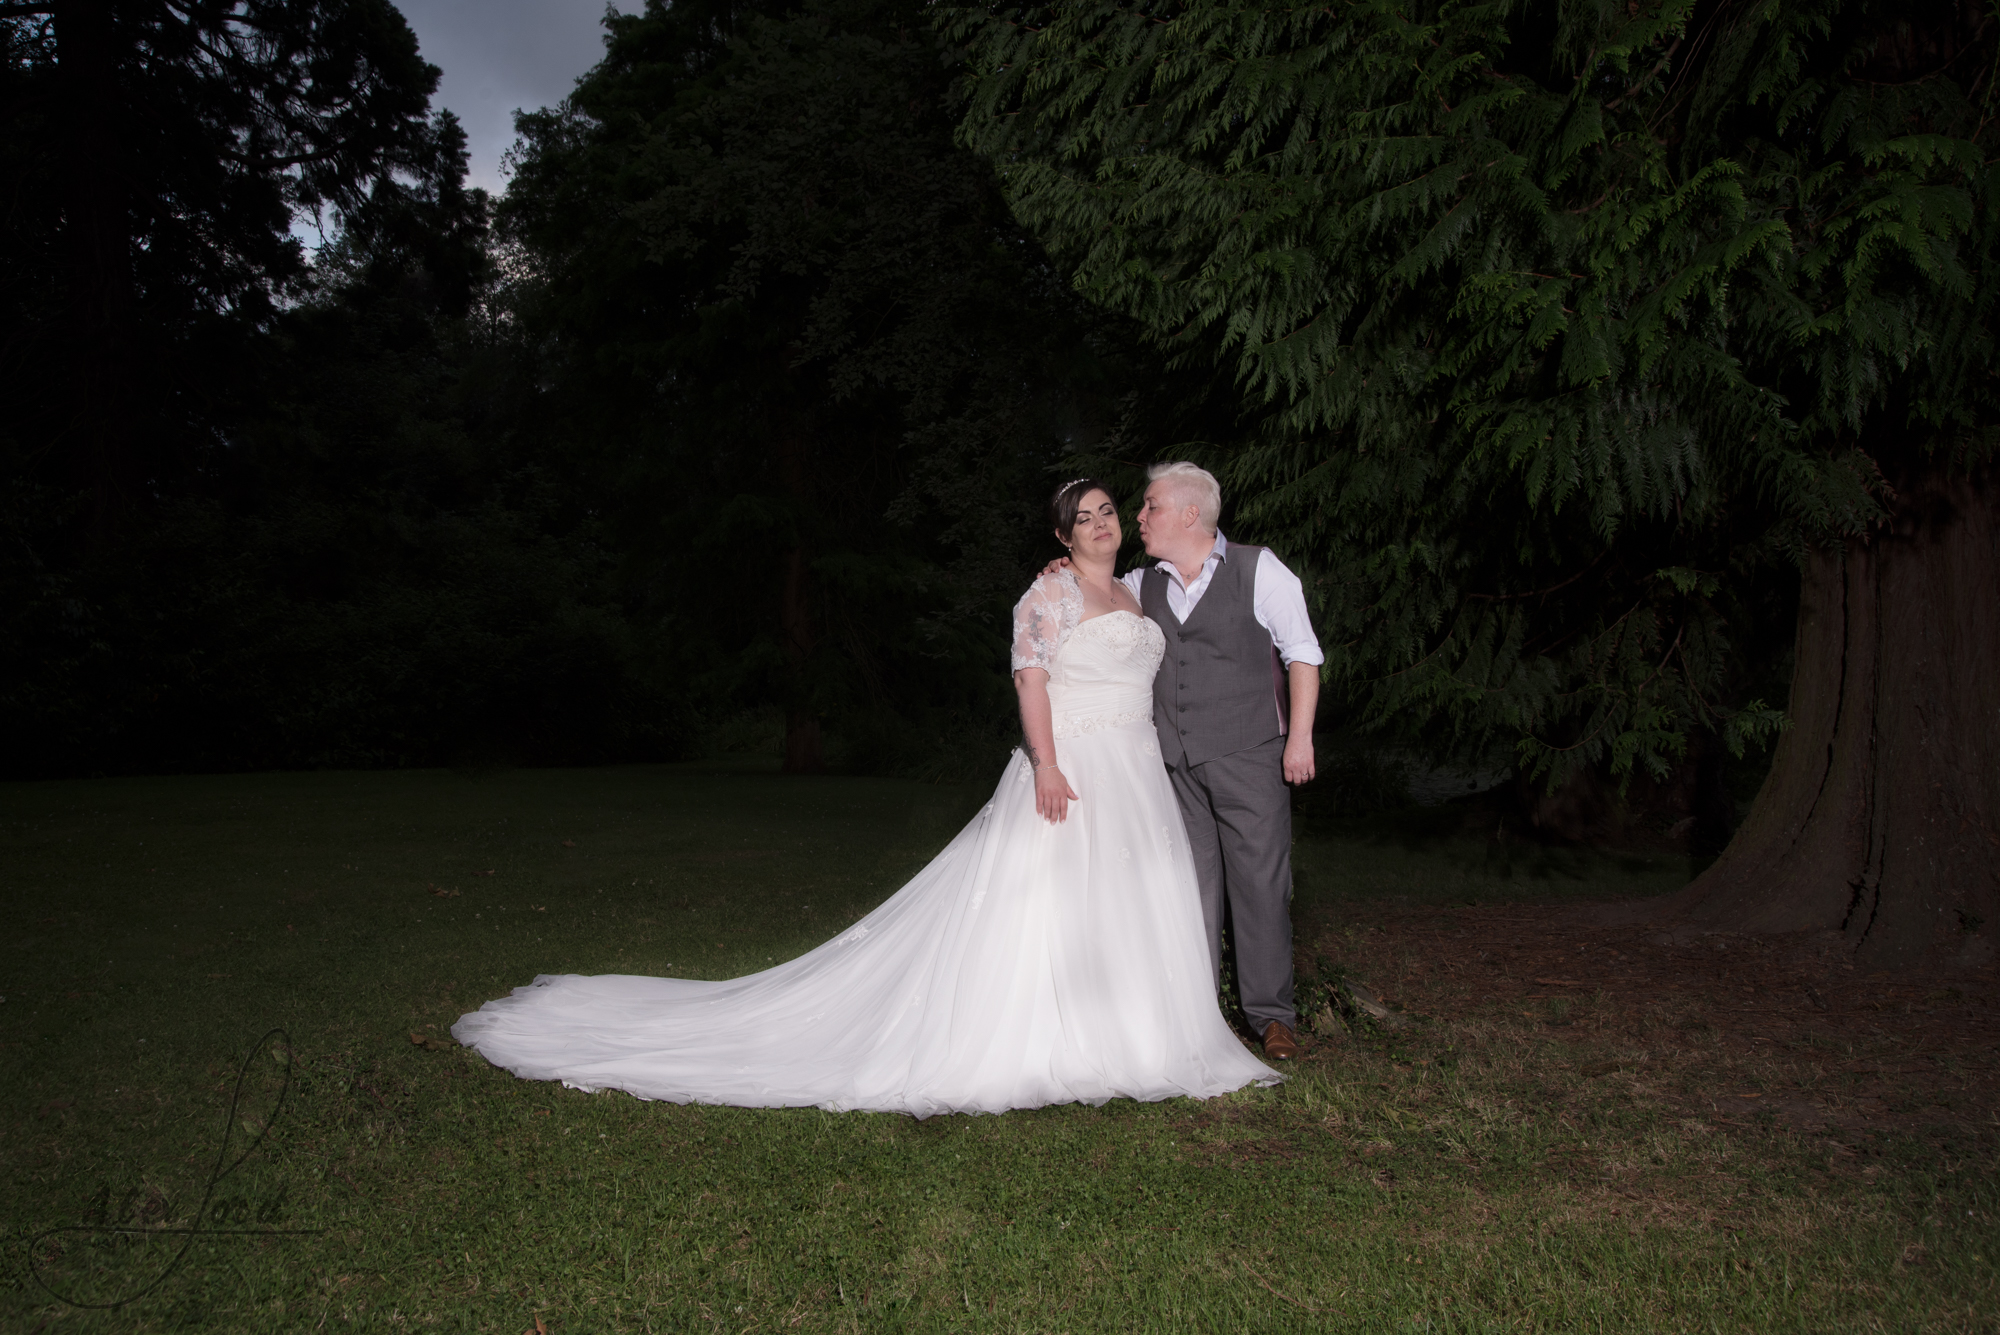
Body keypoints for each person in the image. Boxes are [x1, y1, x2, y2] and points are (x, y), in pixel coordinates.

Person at [450, 479, 1280, 1116]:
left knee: (1128, 903)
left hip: (1138, 767)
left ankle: (1139, 1033)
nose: (1104, 523)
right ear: (1061, 537)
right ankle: (1051, 1036)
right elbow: (1031, 681)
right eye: (1088, 516)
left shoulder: (1135, 590)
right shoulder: (1048, 593)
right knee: (1050, 908)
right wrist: (1049, 761)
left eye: (1109, 511)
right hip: (1075, 764)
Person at [1047, 462, 1322, 1062]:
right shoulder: (1143, 584)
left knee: (1260, 885)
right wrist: (1061, 566)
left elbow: (1303, 653)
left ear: (1189, 514)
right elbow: (1091, 594)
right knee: (1185, 890)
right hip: (1172, 765)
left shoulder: (1260, 568)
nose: (1137, 517)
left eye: (1150, 507)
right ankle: (1193, 1015)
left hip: (1250, 755)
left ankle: (1272, 1017)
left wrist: (1299, 738)